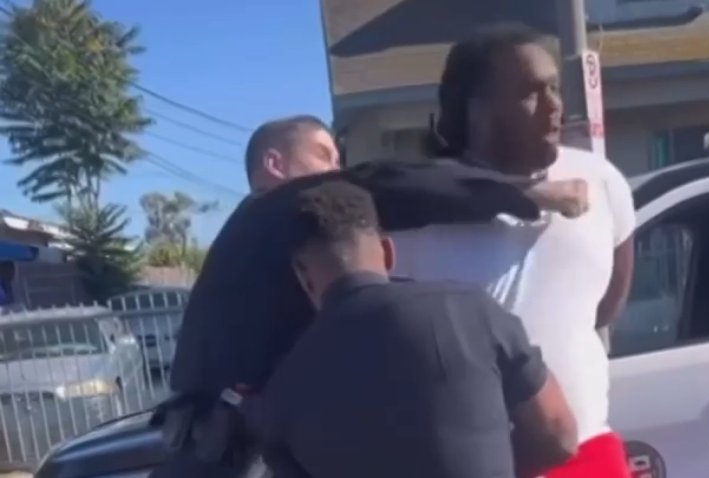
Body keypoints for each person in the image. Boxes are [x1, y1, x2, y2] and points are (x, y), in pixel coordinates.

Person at [154, 115, 592, 477]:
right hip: (227, 455)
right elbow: (386, 184)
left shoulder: (253, 247)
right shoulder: (269, 209)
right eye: (325, 156)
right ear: (274, 164)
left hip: (214, 445)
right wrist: (528, 194)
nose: (337, 170)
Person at [392, 25, 636, 478]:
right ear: (474, 108)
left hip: (588, 451)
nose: (554, 106)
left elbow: (606, 307)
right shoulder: (411, 213)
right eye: (530, 93)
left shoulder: (600, 180)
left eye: (554, 89)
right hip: (481, 466)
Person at [257, 180, 577, 478]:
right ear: (387, 251)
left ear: (303, 275)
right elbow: (558, 433)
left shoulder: (281, 396)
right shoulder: (469, 310)